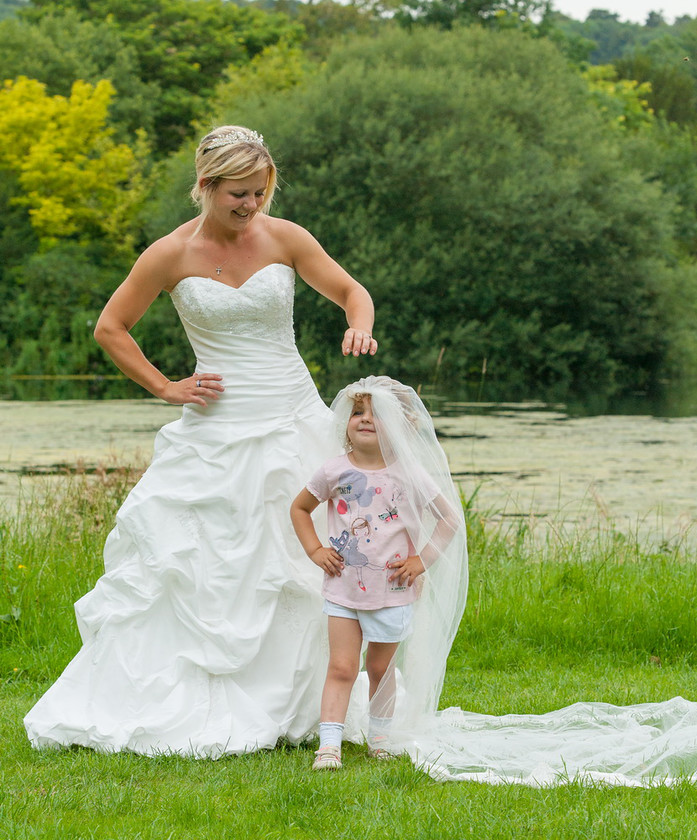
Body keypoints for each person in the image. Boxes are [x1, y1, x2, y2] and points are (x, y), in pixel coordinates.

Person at [23, 125, 379, 756]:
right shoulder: (168, 254)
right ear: (207, 186)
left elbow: (353, 293)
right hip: (216, 426)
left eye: (260, 192)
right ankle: (182, 701)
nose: (251, 206)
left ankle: (310, 709)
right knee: (198, 561)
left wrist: (359, 325)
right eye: (239, 194)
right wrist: (166, 387)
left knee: (301, 558)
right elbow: (111, 327)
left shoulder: (286, 237)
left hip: (292, 412)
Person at [290, 377, 466, 770]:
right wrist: (315, 549)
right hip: (342, 590)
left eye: (375, 414)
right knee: (341, 667)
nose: (364, 419)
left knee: (381, 669)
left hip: (392, 590)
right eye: (357, 412)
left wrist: (421, 561)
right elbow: (299, 509)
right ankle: (329, 745)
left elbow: (449, 520)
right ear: (346, 422)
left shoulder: (409, 473)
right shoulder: (333, 471)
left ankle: (381, 738)